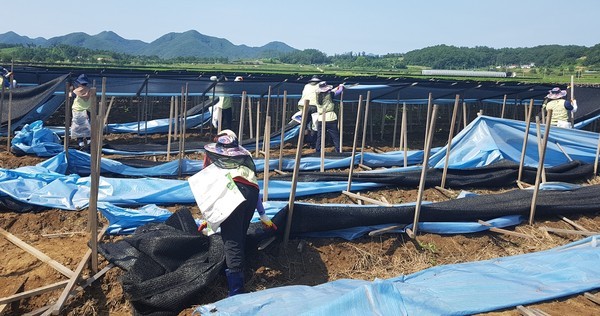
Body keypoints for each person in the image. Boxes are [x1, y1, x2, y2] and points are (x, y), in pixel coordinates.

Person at [202, 129, 275, 296]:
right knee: (239, 234)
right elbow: (253, 186)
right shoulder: (246, 158)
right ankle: (232, 272)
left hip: (232, 192)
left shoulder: (215, 157)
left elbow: (208, 186)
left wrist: (207, 217)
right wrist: (263, 216)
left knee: (232, 239)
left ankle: (237, 291)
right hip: (251, 194)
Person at [314, 81, 343, 153]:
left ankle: (317, 150)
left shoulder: (317, 96)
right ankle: (338, 150)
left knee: (320, 136)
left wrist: (337, 87)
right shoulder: (330, 95)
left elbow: (333, 90)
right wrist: (341, 86)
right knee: (335, 136)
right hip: (330, 118)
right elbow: (339, 91)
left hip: (321, 118)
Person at [297, 75, 321, 148]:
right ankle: (313, 143)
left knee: (304, 125)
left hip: (305, 106)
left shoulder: (306, 86)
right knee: (315, 126)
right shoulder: (319, 86)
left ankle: (302, 142)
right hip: (315, 107)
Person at [70, 74, 93, 148]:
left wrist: (70, 90)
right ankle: (89, 141)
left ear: (79, 83)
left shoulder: (75, 92)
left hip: (78, 111)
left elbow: (70, 96)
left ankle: (81, 142)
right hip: (88, 111)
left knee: (78, 127)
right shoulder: (90, 91)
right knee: (88, 127)